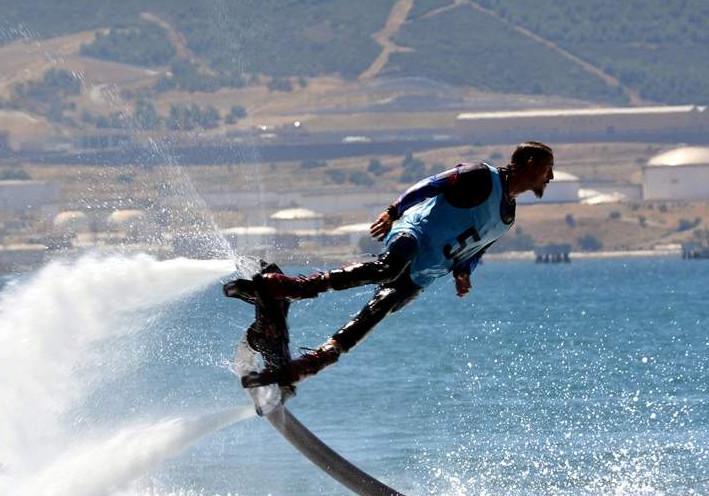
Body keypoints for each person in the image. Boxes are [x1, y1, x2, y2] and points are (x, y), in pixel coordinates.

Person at [233, 141, 554, 387]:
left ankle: (318, 359)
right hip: (415, 231)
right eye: (547, 169)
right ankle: (295, 287)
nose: (550, 177)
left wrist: (463, 273)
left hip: (427, 270)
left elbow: (477, 248)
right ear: (529, 162)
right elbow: (431, 185)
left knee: (382, 305)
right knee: (388, 267)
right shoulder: (481, 175)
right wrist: (394, 211)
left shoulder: (508, 217)